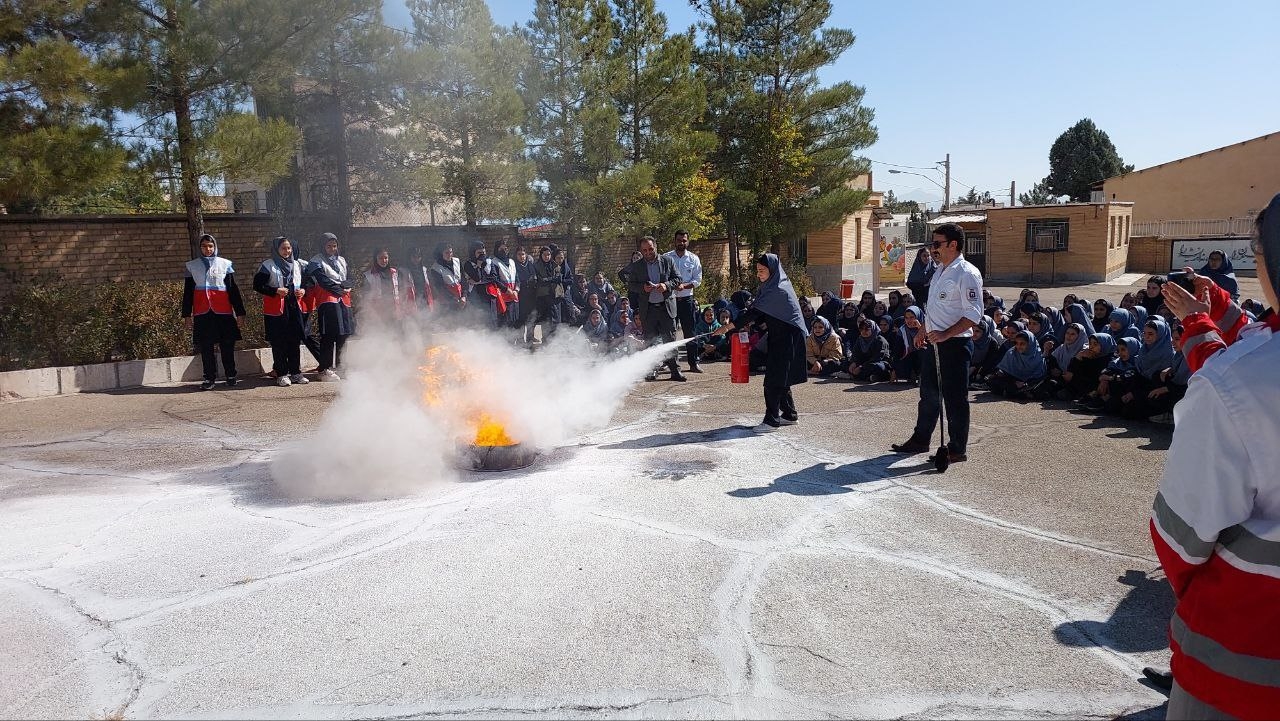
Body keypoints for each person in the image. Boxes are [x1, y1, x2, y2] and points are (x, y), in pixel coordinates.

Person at [1147, 196, 1280, 720]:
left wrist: (1202, 331)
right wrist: (1220, 317)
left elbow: (1181, 540)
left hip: (1248, 669)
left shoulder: (1240, 382)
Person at [891, 223, 983, 463]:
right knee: (928, 394)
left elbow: (973, 314)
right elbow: (935, 308)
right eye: (932, 244)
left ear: (953, 245)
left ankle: (957, 448)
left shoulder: (967, 273)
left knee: (955, 399)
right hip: (934, 343)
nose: (933, 248)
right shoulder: (939, 270)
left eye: (937, 244)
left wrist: (945, 334)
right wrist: (924, 328)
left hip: (954, 345)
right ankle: (921, 439)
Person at [712, 253, 808, 431]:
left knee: (773, 380)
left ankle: (771, 421)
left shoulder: (778, 289)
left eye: (762, 271)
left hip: (789, 338)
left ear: (772, 270)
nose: (759, 274)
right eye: (757, 270)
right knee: (781, 377)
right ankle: (789, 414)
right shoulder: (770, 286)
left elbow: (754, 313)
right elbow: (761, 314)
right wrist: (743, 326)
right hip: (779, 336)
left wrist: (726, 327)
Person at [181, 233, 246, 390]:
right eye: (204, 246)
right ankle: (209, 378)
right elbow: (187, 293)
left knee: (227, 345)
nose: (207, 249)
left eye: (210, 246)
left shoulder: (224, 264)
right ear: (200, 248)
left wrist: (240, 313)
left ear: (215, 247)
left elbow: (233, 291)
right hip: (203, 312)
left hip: (223, 311)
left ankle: (231, 375)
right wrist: (186, 316)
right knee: (206, 347)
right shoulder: (192, 266)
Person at [625, 236, 687, 382]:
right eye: (644, 250)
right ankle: (652, 370)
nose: (648, 252)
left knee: (670, 340)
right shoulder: (637, 266)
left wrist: (666, 285)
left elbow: (678, 278)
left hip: (666, 308)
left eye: (650, 249)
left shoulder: (668, 261)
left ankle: (675, 371)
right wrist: (642, 288)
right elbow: (631, 285)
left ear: (656, 247)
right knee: (650, 342)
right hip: (649, 310)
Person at [253, 236, 311, 386]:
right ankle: (282, 373)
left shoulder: (298, 264)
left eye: (289, 248)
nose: (286, 251)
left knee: (294, 340)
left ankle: (296, 372)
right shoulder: (268, 265)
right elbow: (258, 285)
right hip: (276, 308)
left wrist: (303, 290)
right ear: (276, 250)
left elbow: (307, 282)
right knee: (279, 341)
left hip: (294, 305)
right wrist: (275, 290)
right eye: (283, 248)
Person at [304, 233, 354, 382]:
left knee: (343, 334)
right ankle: (325, 368)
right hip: (327, 300)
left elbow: (350, 277)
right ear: (322, 246)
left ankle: (340, 365)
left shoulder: (342, 260)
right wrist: (340, 289)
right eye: (329, 246)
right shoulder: (316, 261)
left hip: (344, 300)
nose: (332, 248)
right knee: (329, 334)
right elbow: (323, 280)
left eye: (334, 245)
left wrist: (347, 286)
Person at [663, 229, 704, 373]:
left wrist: (684, 286)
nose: (681, 243)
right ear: (674, 241)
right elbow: (662, 277)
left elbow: (697, 280)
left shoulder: (693, 258)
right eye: (679, 240)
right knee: (670, 333)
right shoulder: (666, 258)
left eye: (684, 240)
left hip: (687, 300)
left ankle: (694, 363)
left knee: (690, 332)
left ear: (688, 241)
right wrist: (673, 286)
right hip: (670, 300)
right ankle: (672, 364)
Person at [987, 330, 1047, 400]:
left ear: (1030, 344)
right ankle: (1021, 393)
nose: (1018, 346)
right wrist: (1011, 380)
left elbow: (1040, 376)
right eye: (1016, 343)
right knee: (993, 380)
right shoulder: (1012, 353)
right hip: (1014, 382)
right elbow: (1005, 371)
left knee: (1042, 388)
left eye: (1022, 344)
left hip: (1031, 383)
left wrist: (1026, 383)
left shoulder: (1038, 356)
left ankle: (1021, 393)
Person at [363, 247, 413, 324]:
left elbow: (401, 290)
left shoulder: (395, 273)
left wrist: (404, 306)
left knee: (398, 331)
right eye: (380, 258)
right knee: (383, 332)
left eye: (386, 258)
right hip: (379, 311)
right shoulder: (369, 275)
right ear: (375, 259)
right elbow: (366, 296)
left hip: (396, 309)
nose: (384, 261)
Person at [841, 318, 891, 382]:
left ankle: (859, 376)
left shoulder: (880, 340)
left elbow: (878, 357)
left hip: (875, 363)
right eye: (861, 329)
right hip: (862, 364)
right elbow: (856, 353)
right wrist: (854, 363)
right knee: (844, 362)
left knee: (878, 367)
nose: (863, 331)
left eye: (867, 329)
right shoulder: (860, 339)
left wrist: (861, 367)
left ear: (872, 329)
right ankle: (867, 377)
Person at [532, 246, 563, 342]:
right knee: (541, 319)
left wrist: (547, 280)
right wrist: (550, 280)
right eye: (545, 255)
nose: (547, 257)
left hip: (553, 296)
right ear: (541, 255)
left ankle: (552, 340)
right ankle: (539, 339)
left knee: (553, 319)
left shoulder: (555, 265)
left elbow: (558, 278)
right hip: (542, 296)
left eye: (549, 255)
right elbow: (539, 281)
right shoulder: (536, 266)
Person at [428, 242, 466, 314]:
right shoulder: (436, 268)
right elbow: (440, 287)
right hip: (447, 301)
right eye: (446, 253)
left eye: (451, 252)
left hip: (461, 298)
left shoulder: (457, 261)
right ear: (440, 254)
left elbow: (463, 279)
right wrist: (453, 299)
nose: (450, 255)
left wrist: (464, 296)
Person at [892, 306, 925, 383]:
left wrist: (920, 328)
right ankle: (912, 374)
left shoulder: (927, 327)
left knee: (923, 352)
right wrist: (895, 368)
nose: (909, 320)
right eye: (906, 318)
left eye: (912, 317)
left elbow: (930, 344)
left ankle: (922, 375)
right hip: (910, 357)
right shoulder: (902, 330)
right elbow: (897, 350)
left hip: (925, 356)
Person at [513, 246, 539, 342]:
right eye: (519, 254)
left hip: (531, 295)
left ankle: (531, 339)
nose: (521, 257)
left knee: (532, 318)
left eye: (523, 254)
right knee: (521, 319)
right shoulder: (514, 266)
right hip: (520, 296)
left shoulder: (531, 265)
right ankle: (519, 340)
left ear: (526, 255)